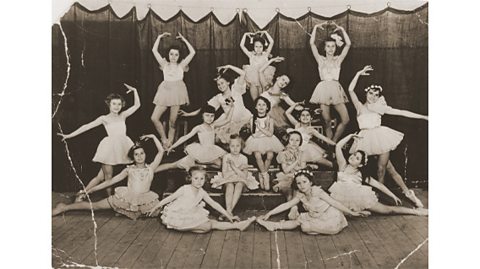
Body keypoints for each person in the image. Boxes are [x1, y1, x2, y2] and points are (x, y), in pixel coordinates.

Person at [347, 65, 428, 207]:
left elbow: (402, 112)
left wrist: (424, 117)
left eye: (376, 95)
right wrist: (359, 73)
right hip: (364, 139)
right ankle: (405, 191)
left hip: (380, 137)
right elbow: (350, 89)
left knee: (381, 169)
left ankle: (380, 198)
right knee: (386, 169)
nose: (373, 97)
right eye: (371, 93)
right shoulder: (359, 106)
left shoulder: (380, 108)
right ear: (366, 93)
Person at [52, 135, 165, 220]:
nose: (139, 157)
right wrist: (91, 190)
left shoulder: (151, 168)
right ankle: (64, 208)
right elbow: (109, 182)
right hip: (125, 198)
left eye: (142, 153)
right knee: (95, 206)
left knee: (157, 212)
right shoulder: (128, 170)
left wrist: (153, 136)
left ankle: (123, 212)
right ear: (133, 157)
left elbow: (161, 151)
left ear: (146, 155)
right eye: (136, 154)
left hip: (145, 200)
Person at [58, 83, 140, 199]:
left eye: (119, 104)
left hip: (123, 146)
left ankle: (81, 195)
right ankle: (109, 200)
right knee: (108, 178)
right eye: (114, 104)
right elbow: (87, 126)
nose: (116, 106)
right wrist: (69, 135)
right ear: (109, 105)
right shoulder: (104, 119)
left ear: (122, 105)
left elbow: (137, 105)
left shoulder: (123, 116)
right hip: (109, 148)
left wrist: (135, 90)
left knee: (100, 177)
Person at [328, 133, 428, 216]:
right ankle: (357, 212)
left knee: (388, 210)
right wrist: (350, 136)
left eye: (357, 158)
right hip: (341, 197)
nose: (353, 157)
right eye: (354, 155)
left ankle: (416, 212)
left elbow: (379, 185)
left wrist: (392, 195)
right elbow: (338, 146)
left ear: (361, 165)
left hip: (359, 198)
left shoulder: (361, 175)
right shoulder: (343, 166)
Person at [256, 168, 370, 235]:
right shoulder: (301, 195)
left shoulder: (317, 192)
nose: (302, 185)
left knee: (304, 226)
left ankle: (316, 229)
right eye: (299, 183)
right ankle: (274, 226)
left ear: (310, 182)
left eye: (304, 182)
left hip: (331, 218)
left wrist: (352, 212)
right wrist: (269, 213)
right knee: (299, 221)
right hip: (316, 217)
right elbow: (287, 204)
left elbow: (334, 203)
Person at [147, 166, 256, 233]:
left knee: (211, 224)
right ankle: (235, 226)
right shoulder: (184, 189)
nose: (199, 181)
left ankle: (237, 226)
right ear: (190, 179)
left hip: (191, 215)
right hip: (179, 218)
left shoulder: (202, 192)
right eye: (196, 178)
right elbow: (170, 198)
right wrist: (156, 206)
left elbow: (214, 204)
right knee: (208, 226)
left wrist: (229, 215)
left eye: (202, 179)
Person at [154, 105, 232, 173]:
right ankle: (152, 170)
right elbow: (185, 137)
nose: (210, 118)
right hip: (201, 152)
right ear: (202, 116)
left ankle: (199, 165)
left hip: (212, 150)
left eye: (212, 116)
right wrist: (172, 147)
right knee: (172, 165)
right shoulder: (199, 128)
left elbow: (228, 120)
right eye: (207, 115)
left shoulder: (213, 125)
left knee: (221, 164)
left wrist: (232, 107)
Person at [151, 32, 196, 149]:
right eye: (171, 54)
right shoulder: (164, 64)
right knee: (154, 118)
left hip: (177, 93)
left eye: (176, 54)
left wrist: (184, 40)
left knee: (172, 122)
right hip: (165, 92)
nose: (173, 56)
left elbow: (193, 52)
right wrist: (159, 37)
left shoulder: (181, 66)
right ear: (168, 55)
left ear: (179, 56)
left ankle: (169, 145)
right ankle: (164, 139)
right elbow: (154, 51)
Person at [309, 21, 351, 142]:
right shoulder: (320, 60)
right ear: (324, 48)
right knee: (327, 121)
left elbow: (348, 44)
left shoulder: (338, 60)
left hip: (335, 89)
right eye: (328, 46)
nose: (331, 49)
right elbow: (312, 43)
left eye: (333, 46)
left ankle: (334, 142)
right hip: (322, 90)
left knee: (346, 119)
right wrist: (316, 27)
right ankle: (330, 147)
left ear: (335, 47)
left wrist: (342, 30)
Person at [210, 134, 259, 217]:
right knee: (230, 186)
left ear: (241, 146)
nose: (235, 148)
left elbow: (244, 176)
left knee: (239, 184)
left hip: (241, 180)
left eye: (237, 146)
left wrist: (234, 168)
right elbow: (225, 176)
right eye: (232, 146)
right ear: (229, 146)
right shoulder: (226, 157)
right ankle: (229, 211)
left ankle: (227, 212)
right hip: (228, 180)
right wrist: (238, 168)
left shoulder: (244, 158)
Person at [243, 96, 284, 190]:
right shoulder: (252, 119)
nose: (261, 107)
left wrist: (261, 128)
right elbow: (254, 135)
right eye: (259, 104)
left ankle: (263, 174)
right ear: (256, 107)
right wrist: (264, 129)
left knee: (270, 155)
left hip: (269, 141)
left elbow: (270, 134)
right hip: (256, 142)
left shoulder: (270, 119)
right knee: (257, 155)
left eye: (263, 105)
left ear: (267, 107)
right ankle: (265, 176)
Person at [208, 65, 252, 143]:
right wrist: (189, 114)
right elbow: (206, 108)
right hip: (230, 121)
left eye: (222, 83)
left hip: (244, 118)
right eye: (218, 84)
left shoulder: (236, 89)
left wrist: (229, 66)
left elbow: (243, 73)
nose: (221, 86)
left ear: (228, 82)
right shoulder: (219, 97)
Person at [285, 103, 335, 168]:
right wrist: (296, 104)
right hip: (295, 149)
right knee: (296, 165)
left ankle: (334, 165)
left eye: (307, 115)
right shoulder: (297, 125)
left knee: (330, 164)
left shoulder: (311, 130)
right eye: (303, 115)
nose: (305, 117)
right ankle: (310, 166)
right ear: (299, 118)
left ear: (311, 118)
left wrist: (336, 145)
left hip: (306, 149)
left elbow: (325, 139)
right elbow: (287, 113)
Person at [272, 130, 306, 219]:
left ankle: (293, 209)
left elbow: (302, 168)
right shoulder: (283, 153)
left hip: (297, 175)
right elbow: (286, 170)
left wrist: (295, 168)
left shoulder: (302, 153)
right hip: (286, 176)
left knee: (297, 185)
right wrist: (296, 162)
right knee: (289, 190)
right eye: (292, 140)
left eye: (297, 140)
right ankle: (294, 208)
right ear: (288, 140)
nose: (294, 143)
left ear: (300, 142)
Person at [240, 30, 276, 100]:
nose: (258, 49)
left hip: (263, 79)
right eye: (256, 46)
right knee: (255, 101)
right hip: (253, 80)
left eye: (260, 47)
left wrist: (265, 32)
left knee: (263, 99)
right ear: (253, 47)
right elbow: (241, 46)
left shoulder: (266, 55)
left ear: (263, 47)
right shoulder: (251, 55)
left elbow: (271, 42)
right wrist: (245, 34)